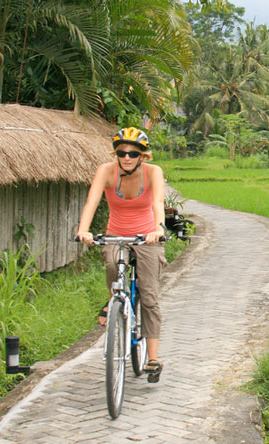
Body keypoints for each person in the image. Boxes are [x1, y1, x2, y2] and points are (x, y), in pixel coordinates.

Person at [76, 127, 166, 382]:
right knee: (114, 267)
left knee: (149, 297)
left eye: (132, 153)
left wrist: (158, 230)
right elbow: (91, 202)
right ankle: (115, 297)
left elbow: (158, 203)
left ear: (143, 156)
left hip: (147, 237)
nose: (126, 157)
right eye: (121, 153)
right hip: (116, 235)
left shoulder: (153, 172)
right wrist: (84, 231)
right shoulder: (106, 171)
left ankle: (152, 358)